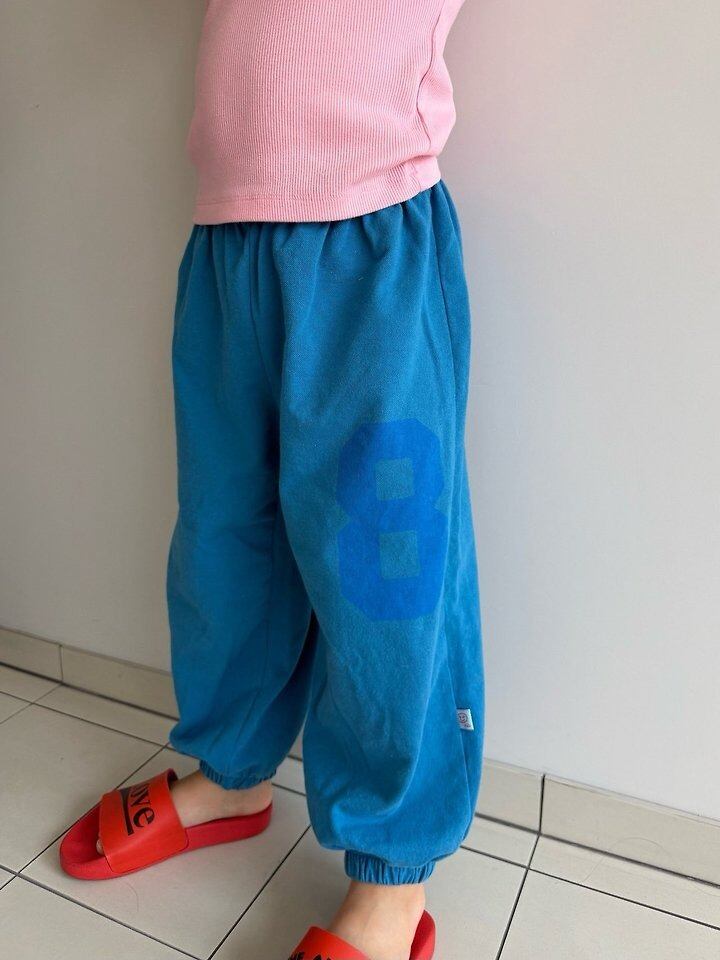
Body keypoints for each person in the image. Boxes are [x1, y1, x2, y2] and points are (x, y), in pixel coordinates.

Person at [60, 2, 484, 957]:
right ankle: (231, 771)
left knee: (386, 572)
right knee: (225, 538)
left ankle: (393, 876)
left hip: (370, 234)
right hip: (230, 237)